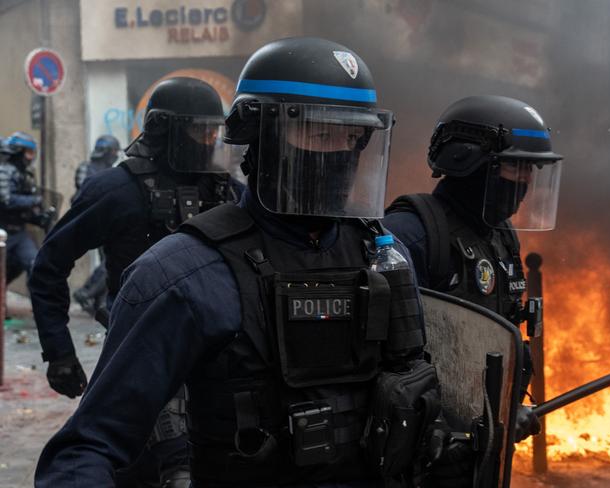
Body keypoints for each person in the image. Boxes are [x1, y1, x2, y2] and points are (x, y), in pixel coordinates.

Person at [35, 37, 472, 488]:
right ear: (261, 137)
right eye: (322, 134)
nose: (343, 153)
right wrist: (61, 354)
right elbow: (87, 447)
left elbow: (412, 388)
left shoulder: (386, 255)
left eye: (353, 136)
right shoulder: (183, 275)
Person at [29, 77, 243, 487]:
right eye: (199, 130)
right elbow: (49, 266)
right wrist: (59, 351)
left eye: (213, 131)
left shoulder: (223, 189)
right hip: (138, 354)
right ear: (166, 129)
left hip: (217, 356)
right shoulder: (115, 189)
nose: (209, 140)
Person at [383, 95, 564, 442]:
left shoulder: (501, 236)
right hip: (425, 448)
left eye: (531, 170)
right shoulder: (411, 234)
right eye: (515, 167)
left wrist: (505, 408)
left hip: (480, 449)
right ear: (469, 162)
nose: (524, 182)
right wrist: (447, 427)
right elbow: (389, 364)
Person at [71, 134, 121, 316]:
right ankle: (86, 291)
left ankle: (99, 302)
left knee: (108, 262)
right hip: (93, 221)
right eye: (114, 151)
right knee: (108, 262)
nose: (116, 155)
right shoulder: (86, 168)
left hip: (108, 221)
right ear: (107, 152)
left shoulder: (111, 170)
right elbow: (84, 193)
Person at [0, 131, 51, 284]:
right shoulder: (4, 171)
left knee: (34, 264)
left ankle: (40, 307)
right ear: (18, 152)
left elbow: (24, 205)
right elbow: (6, 200)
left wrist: (38, 218)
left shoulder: (25, 174)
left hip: (19, 232)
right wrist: (33, 200)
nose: (31, 157)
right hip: (2, 231)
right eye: (29, 152)